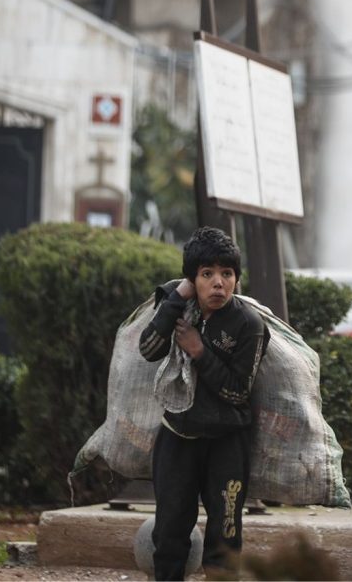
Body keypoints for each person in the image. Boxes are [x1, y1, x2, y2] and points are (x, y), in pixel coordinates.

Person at [139, 226, 270, 580]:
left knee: (225, 533)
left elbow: (238, 392)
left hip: (228, 441)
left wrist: (199, 352)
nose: (218, 283)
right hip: (177, 436)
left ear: (236, 280)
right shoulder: (175, 303)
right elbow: (149, 349)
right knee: (168, 530)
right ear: (192, 279)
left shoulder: (248, 324)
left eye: (226, 274)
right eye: (206, 274)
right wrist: (176, 299)